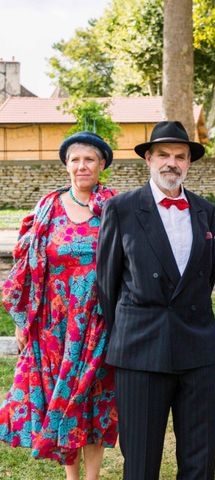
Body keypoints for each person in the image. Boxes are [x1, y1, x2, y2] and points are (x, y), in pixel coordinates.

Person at [96, 121, 215, 479]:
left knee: (200, 458)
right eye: (163, 155)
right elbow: (107, 283)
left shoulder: (204, 210)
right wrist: (130, 333)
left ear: (189, 164)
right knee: (141, 459)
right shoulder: (121, 209)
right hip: (140, 348)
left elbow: (205, 275)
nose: (172, 163)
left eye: (180, 157)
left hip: (196, 348)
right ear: (148, 159)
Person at [0, 132, 118, 479]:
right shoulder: (48, 206)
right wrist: (24, 321)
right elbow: (25, 263)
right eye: (75, 160)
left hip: (98, 320)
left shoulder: (115, 206)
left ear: (102, 166)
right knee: (60, 397)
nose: (82, 166)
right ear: (66, 165)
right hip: (53, 321)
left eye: (90, 160)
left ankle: (92, 477)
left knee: (95, 398)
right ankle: (71, 477)